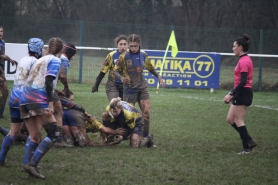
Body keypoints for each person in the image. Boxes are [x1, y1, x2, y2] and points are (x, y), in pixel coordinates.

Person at [20, 37, 64, 179]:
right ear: (61, 50)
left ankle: (28, 169)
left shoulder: (40, 59)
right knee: (54, 134)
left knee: (35, 136)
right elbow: (48, 80)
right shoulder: (56, 60)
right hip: (37, 99)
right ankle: (32, 165)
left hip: (24, 99)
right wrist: (50, 102)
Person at [113, 34, 165, 144]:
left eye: (135, 46)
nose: (133, 48)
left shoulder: (143, 55)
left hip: (142, 88)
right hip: (129, 90)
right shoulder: (123, 56)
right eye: (131, 46)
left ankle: (146, 137)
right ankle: (130, 135)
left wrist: (159, 77)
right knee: (130, 116)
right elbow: (115, 71)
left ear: (139, 44)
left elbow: (150, 68)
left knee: (146, 113)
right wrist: (121, 78)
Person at [0, 38, 44, 166]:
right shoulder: (36, 62)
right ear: (38, 49)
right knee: (34, 134)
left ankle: (1, 159)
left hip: (14, 98)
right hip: (26, 100)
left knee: (13, 132)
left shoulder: (23, 59)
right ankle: (28, 163)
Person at [223, 34, 257, 154]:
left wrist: (231, 93)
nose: (232, 48)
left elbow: (243, 81)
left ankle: (246, 148)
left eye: (234, 46)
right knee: (230, 119)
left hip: (243, 93)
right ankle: (249, 140)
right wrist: (233, 94)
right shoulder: (243, 59)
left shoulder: (244, 61)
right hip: (240, 92)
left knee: (239, 120)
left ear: (240, 47)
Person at [59, 91, 126, 147]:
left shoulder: (63, 108)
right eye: (71, 100)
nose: (95, 132)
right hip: (75, 117)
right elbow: (104, 130)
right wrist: (116, 132)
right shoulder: (94, 121)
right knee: (83, 143)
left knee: (71, 142)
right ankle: (76, 138)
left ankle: (68, 139)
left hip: (62, 115)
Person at [53, 43, 77, 147]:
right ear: (71, 54)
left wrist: (56, 90)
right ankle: (58, 139)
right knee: (59, 112)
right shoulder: (64, 60)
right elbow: (62, 76)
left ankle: (24, 133)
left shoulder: (55, 57)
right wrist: (67, 88)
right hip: (45, 90)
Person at [92, 35, 128, 101]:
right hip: (113, 84)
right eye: (121, 44)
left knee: (124, 107)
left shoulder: (131, 55)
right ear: (117, 45)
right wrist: (96, 84)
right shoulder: (111, 55)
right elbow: (103, 71)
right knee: (115, 104)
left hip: (126, 85)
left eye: (125, 44)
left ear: (128, 45)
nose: (123, 46)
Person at [0, 26, 15, 118]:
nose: (0, 33)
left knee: (5, 92)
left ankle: (0, 114)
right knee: (4, 89)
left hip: (1, 68)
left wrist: (8, 59)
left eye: (1, 31)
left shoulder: (3, 42)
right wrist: (6, 58)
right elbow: (2, 56)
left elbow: (2, 56)